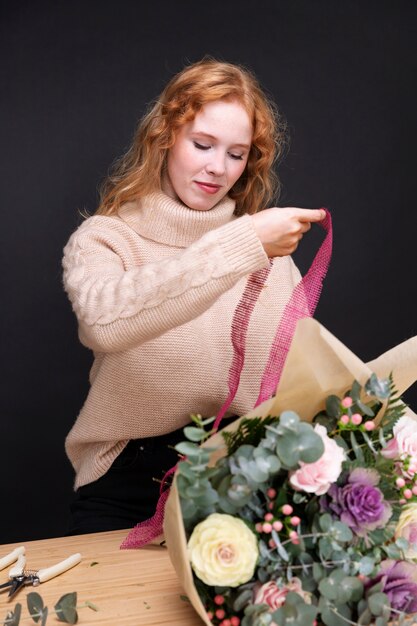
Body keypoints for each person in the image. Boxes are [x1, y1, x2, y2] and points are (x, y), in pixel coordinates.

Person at [62, 57, 325, 535]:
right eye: (202, 145)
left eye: (236, 153)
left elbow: (301, 381)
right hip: (128, 482)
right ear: (164, 137)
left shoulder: (270, 252)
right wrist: (241, 246)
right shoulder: (106, 238)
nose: (216, 168)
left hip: (245, 481)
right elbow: (104, 321)